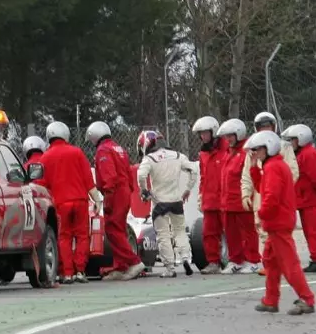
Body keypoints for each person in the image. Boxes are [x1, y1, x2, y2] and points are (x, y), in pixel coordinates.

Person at [247, 131, 316, 315]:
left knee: (290, 264)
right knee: (271, 261)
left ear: (268, 147)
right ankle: (271, 300)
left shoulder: (273, 167)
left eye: (257, 149)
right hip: (277, 223)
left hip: (278, 223)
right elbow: (263, 187)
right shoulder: (272, 166)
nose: (255, 153)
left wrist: (262, 214)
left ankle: (306, 299)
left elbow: (271, 197)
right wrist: (254, 169)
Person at [40, 121, 99, 284]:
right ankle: (80, 270)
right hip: (80, 200)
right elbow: (89, 180)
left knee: (63, 237)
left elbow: (41, 184)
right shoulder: (77, 153)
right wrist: (97, 199)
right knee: (82, 236)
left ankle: (67, 273)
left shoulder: (45, 157)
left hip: (60, 203)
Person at [136, 130, 199, 278]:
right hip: (176, 200)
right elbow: (193, 170)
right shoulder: (178, 155)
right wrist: (188, 189)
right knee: (180, 231)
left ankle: (170, 268)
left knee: (163, 235)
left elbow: (140, 175)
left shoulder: (149, 159)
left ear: (146, 143)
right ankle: (185, 257)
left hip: (159, 202)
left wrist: (144, 190)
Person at [242, 112, 298, 275]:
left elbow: (293, 172)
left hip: (279, 197)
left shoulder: (284, 147)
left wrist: (280, 188)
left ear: (274, 127)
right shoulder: (253, 150)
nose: (265, 130)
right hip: (261, 195)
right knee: (264, 232)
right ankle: (271, 265)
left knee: (281, 235)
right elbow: (246, 174)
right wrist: (246, 193)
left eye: (268, 126)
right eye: (262, 127)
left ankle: (286, 264)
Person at [90, 121, 145, 280]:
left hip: (114, 192)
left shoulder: (103, 150)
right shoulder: (119, 148)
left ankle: (134, 262)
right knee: (119, 229)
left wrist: (108, 196)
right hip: (124, 191)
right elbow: (127, 174)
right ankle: (121, 266)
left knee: (113, 229)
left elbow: (109, 176)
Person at [218, 118, 261, 274]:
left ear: (239, 134)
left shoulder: (247, 152)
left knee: (248, 231)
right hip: (227, 201)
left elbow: (249, 175)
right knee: (231, 233)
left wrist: (248, 196)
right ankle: (236, 260)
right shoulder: (228, 153)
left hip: (242, 200)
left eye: (230, 135)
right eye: (226, 136)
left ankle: (253, 260)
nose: (227, 139)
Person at [282, 124, 316, 273]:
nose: (291, 143)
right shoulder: (303, 154)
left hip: (310, 200)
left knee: (313, 231)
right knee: (312, 231)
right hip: (306, 200)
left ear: (301, 139)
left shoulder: (308, 154)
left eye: (293, 139)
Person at [194, 115, 227, 274]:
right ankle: (213, 262)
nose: (202, 136)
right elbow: (203, 176)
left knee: (230, 231)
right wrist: (201, 195)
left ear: (213, 131)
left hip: (224, 198)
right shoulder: (203, 153)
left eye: (205, 133)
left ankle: (236, 260)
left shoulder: (227, 148)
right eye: (200, 134)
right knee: (208, 232)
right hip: (209, 198)